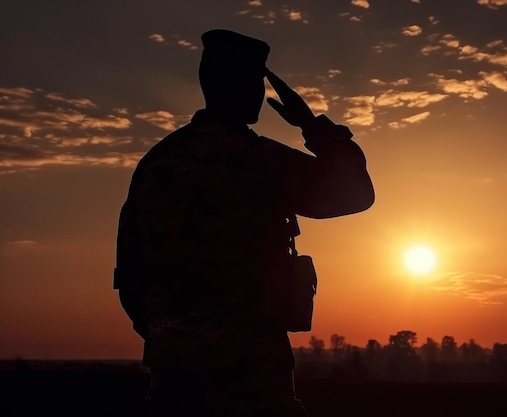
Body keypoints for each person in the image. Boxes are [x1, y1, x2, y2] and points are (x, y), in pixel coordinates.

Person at [114, 29, 374, 416]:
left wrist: (174, 335)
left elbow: (130, 274)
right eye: (254, 82)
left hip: (174, 376)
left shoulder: (156, 163)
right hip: (251, 377)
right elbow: (355, 193)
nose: (258, 93)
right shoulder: (258, 160)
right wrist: (315, 128)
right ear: (233, 86)